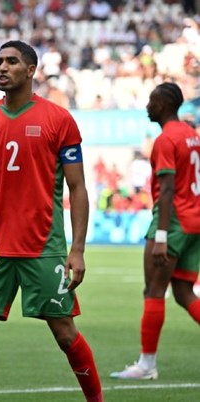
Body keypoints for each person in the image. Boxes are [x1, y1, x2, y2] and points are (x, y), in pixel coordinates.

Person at [0, 40, 103, 402]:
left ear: (31, 71)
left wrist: (78, 250)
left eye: (11, 61)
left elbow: (78, 187)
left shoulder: (58, 120)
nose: (1, 68)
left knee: (65, 333)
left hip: (43, 247)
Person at [110, 82, 200, 380]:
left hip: (172, 223)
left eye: (151, 100)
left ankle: (146, 365)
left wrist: (161, 237)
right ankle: (146, 364)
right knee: (185, 293)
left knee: (154, 291)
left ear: (163, 104)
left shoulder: (166, 139)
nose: (147, 105)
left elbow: (167, 188)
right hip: (195, 223)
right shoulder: (192, 135)